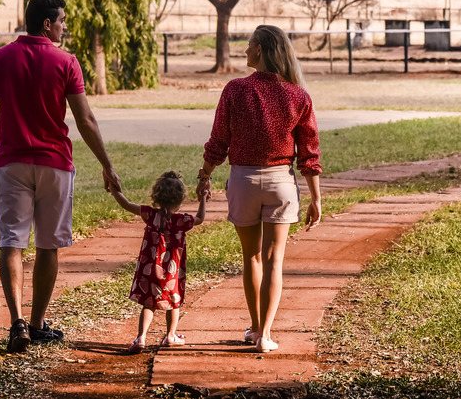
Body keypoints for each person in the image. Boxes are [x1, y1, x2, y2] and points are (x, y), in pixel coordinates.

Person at [0, 0, 121, 353]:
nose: (65, 26)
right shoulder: (66, 61)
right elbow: (85, 119)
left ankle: (17, 323)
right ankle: (37, 325)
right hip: (54, 165)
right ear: (47, 24)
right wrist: (106, 164)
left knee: (12, 241)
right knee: (48, 245)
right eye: (62, 20)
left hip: (11, 163)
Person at [197, 24, 321, 354]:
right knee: (273, 260)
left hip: (243, 181)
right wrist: (316, 197)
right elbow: (309, 152)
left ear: (261, 50)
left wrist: (204, 174)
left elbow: (218, 142)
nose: (245, 50)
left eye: (249, 45)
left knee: (250, 257)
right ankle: (265, 334)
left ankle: (254, 327)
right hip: (281, 182)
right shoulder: (299, 96)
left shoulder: (234, 90)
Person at [111, 170, 207, 354]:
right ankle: (171, 336)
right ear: (180, 200)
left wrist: (114, 190)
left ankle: (141, 338)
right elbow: (200, 219)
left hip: (150, 270)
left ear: (156, 196)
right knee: (174, 301)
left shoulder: (150, 214)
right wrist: (202, 198)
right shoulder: (181, 220)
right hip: (172, 272)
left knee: (149, 304)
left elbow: (125, 204)